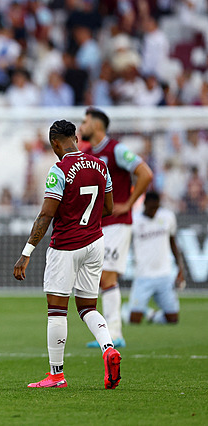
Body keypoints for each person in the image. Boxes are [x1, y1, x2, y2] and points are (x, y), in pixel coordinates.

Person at [13, 119, 121, 389]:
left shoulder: (59, 169)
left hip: (66, 247)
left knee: (57, 311)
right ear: (75, 137)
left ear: (54, 144)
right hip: (95, 243)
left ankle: (56, 375)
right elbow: (108, 208)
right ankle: (108, 348)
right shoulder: (100, 165)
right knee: (87, 307)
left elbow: (46, 214)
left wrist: (26, 252)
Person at [80, 107, 153, 348]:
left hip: (118, 224)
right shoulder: (88, 152)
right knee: (100, 277)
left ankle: (114, 333)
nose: (82, 126)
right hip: (98, 225)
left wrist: (129, 204)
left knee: (106, 275)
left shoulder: (117, 150)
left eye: (85, 121)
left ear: (97, 126)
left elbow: (145, 173)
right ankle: (112, 331)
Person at [124, 191, 186, 324]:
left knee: (173, 319)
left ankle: (152, 316)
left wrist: (180, 268)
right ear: (145, 204)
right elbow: (125, 244)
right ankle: (125, 311)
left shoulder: (167, 217)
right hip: (143, 276)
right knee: (134, 320)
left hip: (164, 275)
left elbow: (173, 243)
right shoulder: (134, 220)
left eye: (156, 208)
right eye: (151, 208)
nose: (154, 211)